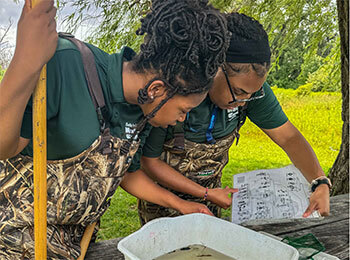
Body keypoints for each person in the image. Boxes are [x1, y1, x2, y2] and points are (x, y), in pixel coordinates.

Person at [0, 0, 231, 259]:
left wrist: (180, 204)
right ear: (156, 90)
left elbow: (126, 174)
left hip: (74, 244)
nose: (180, 120)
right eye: (183, 110)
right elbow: (3, 146)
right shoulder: (66, 64)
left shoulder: (142, 109)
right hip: (14, 240)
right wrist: (25, 62)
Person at [138, 12, 331, 225]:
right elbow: (149, 161)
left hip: (211, 197)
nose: (244, 100)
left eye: (251, 94)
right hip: (163, 199)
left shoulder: (251, 92)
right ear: (215, 69)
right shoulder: (179, 94)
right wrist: (204, 193)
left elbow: (289, 138)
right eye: (239, 92)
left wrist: (319, 181)